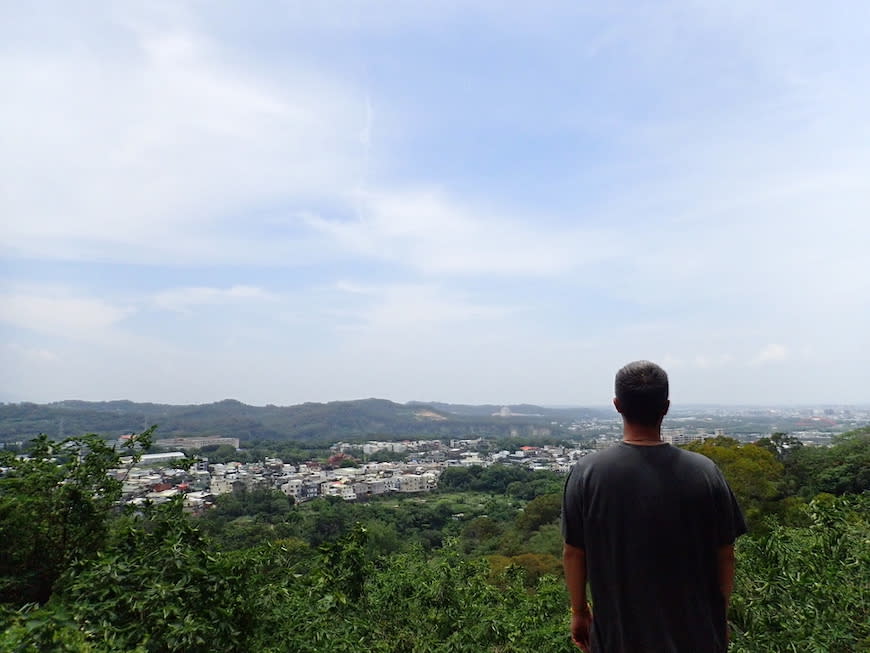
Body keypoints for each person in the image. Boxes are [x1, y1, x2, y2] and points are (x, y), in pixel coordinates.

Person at [561, 360, 747, 653]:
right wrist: (719, 619)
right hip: (696, 636)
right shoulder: (705, 472)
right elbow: (725, 554)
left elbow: (574, 552)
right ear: (666, 406)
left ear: (617, 405)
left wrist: (579, 611)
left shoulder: (588, 473)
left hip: (618, 637)